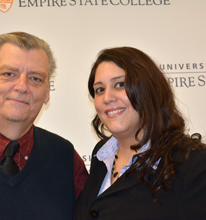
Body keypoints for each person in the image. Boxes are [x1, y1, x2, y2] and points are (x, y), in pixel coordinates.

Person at [0, 31, 88, 220]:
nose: (22, 86)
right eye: (9, 74)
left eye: (35, 78)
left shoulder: (66, 159)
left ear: (47, 92)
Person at [74, 47, 206, 220]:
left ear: (148, 89)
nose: (107, 98)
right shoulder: (101, 156)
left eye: (120, 84)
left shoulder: (194, 164)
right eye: (100, 89)